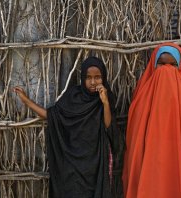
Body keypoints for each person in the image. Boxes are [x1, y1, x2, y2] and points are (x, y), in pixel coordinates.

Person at [14, 56, 119, 198]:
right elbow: (52, 116)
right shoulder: (73, 96)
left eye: (98, 77)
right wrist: (27, 101)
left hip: (96, 163)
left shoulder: (106, 97)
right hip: (72, 164)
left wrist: (105, 102)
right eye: (88, 77)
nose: (93, 82)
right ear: (82, 78)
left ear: (103, 77)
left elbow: (108, 126)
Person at [122, 43, 181, 198]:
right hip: (149, 163)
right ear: (153, 65)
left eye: (173, 65)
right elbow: (135, 139)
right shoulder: (142, 93)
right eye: (161, 64)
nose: (167, 70)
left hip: (179, 163)